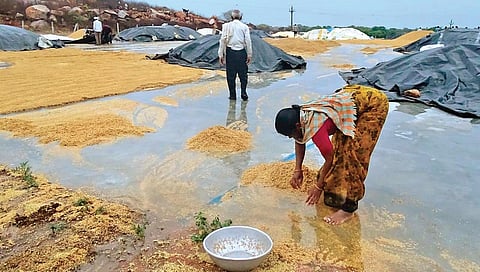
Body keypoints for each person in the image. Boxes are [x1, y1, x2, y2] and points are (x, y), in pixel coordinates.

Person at [274, 85, 389, 225]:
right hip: (350, 98)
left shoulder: (316, 130)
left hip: (372, 105)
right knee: (340, 151)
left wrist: (318, 186)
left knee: (353, 156)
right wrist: (298, 169)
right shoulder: (301, 117)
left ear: (298, 126)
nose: (290, 138)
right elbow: (299, 140)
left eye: (290, 134)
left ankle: (349, 208)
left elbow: (330, 158)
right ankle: (334, 190)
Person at [218, 9, 252, 101]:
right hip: (241, 52)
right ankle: (243, 92)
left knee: (231, 76)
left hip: (230, 53)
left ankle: (232, 95)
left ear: (231, 17)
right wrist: (249, 54)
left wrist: (221, 55)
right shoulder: (244, 27)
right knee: (243, 75)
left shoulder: (226, 26)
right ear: (241, 17)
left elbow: (222, 40)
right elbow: (248, 41)